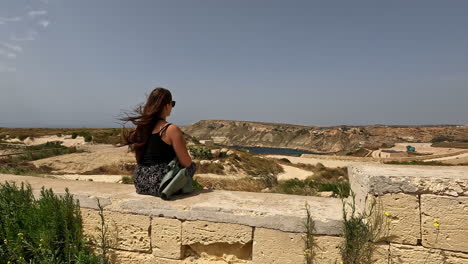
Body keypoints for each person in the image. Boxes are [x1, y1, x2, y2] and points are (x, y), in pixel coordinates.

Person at [120, 87, 196, 197]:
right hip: (161, 184)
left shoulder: (141, 128)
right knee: (192, 166)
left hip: (140, 182)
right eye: (172, 103)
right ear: (167, 105)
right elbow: (186, 163)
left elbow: (139, 159)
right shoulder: (170, 129)